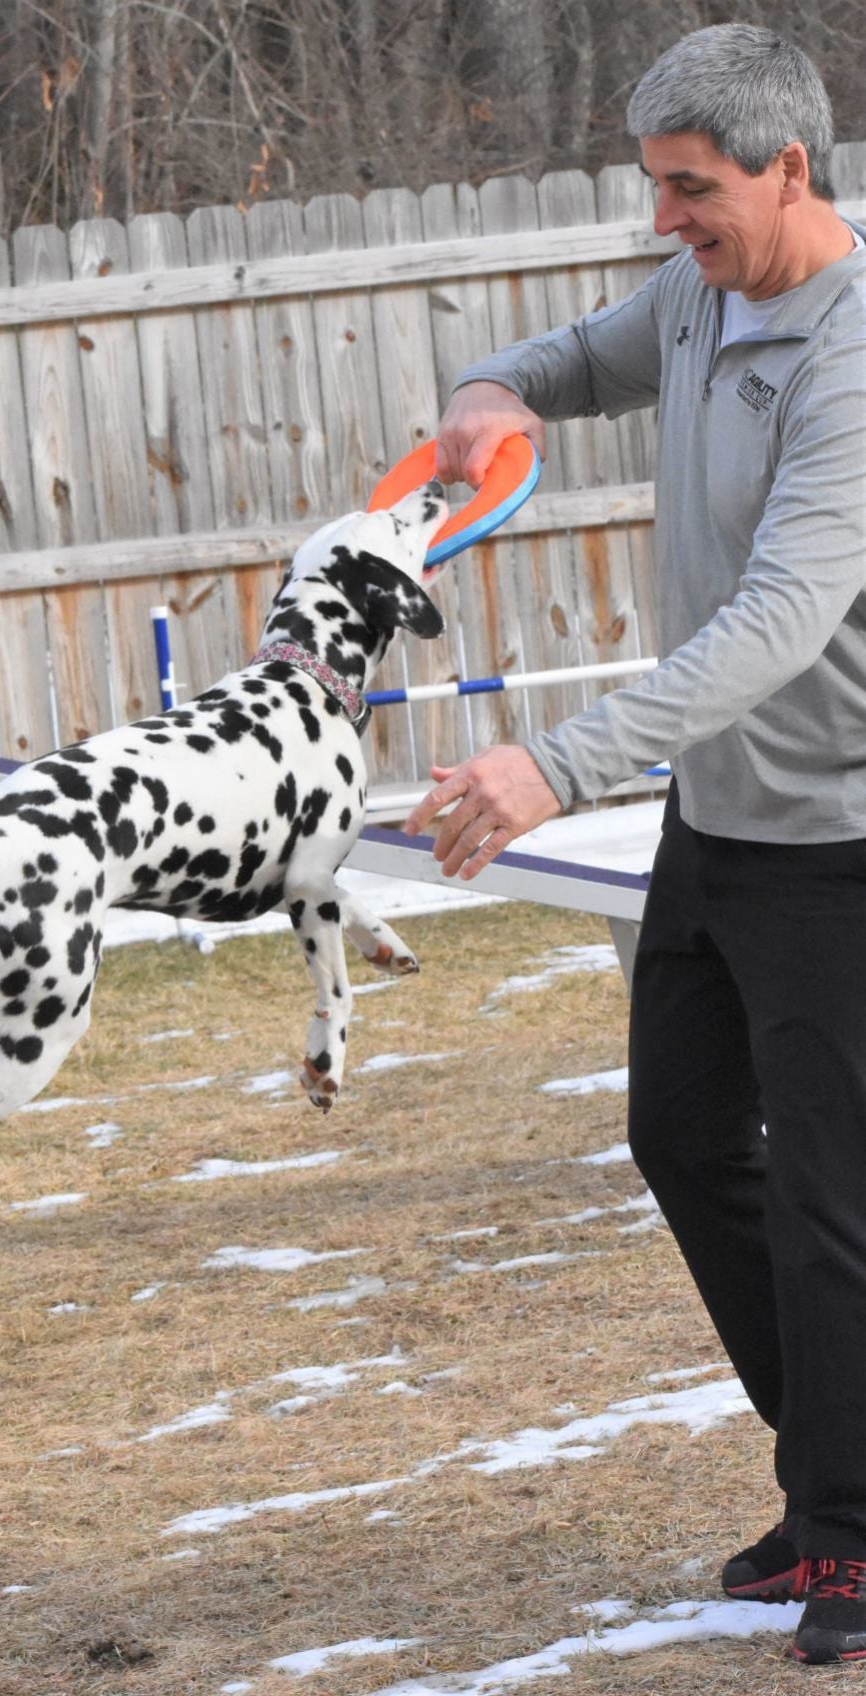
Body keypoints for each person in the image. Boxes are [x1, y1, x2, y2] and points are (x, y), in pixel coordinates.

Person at [404, 23, 866, 1667]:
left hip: (838, 842)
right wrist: (482, 394)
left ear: (788, 167)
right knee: (682, 1140)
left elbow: (783, 619)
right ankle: (834, 1477)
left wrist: (557, 764)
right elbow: (559, 366)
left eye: (691, 190)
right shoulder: (696, 295)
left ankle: (850, 1538)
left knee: (833, 1203)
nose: (663, 221)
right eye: (652, 187)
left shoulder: (849, 356)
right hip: (718, 820)